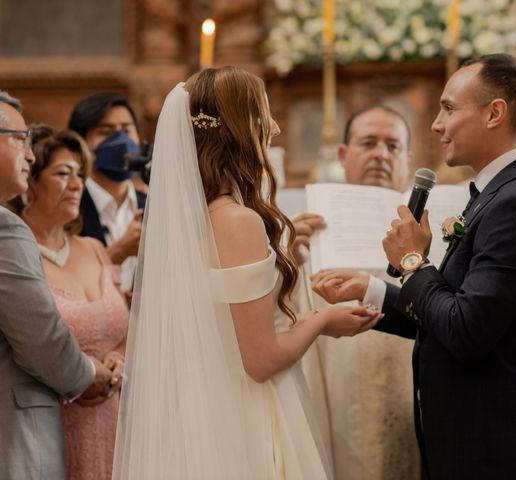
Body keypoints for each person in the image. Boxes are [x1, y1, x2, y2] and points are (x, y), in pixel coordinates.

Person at [312, 54, 516, 479]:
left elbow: (463, 330)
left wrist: (414, 262)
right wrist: (372, 289)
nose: (436, 124)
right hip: (474, 440)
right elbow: (452, 310)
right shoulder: (502, 194)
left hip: (495, 449)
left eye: (449, 108)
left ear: (495, 114)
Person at [112, 67, 381, 479]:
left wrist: (285, 258)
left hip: (206, 405)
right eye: (261, 115)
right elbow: (261, 359)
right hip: (247, 413)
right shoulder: (238, 222)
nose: (273, 128)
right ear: (237, 129)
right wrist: (321, 320)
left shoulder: (200, 218)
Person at [298, 106, 420, 480]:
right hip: (337, 383)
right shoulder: (310, 226)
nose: (380, 154)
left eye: (392, 146)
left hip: (412, 383)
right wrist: (286, 256)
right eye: (368, 143)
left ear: (408, 159)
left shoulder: (427, 227)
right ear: (342, 154)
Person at [0, 92, 111, 479]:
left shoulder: (93, 250)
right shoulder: (6, 227)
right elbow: (39, 335)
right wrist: (88, 374)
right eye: (19, 139)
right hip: (16, 436)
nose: (28, 155)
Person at [68, 93, 146, 290]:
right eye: (106, 131)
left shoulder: (154, 205)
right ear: (82, 143)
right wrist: (120, 251)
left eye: (127, 130)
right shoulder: (68, 207)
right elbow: (64, 284)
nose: (120, 140)